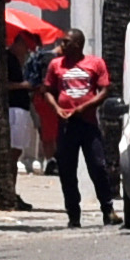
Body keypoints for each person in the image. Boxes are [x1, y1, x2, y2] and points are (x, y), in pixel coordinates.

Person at [38, 29, 114, 228]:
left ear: (78, 45)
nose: (62, 45)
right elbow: (47, 90)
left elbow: (105, 90)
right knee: (67, 170)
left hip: (87, 124)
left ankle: (108, 209)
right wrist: (56, 108)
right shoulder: (56, 65)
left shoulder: (95, 63)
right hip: (66, 125)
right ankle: (73, 214)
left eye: (67, 42)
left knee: (97, 166)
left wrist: (83, 108)